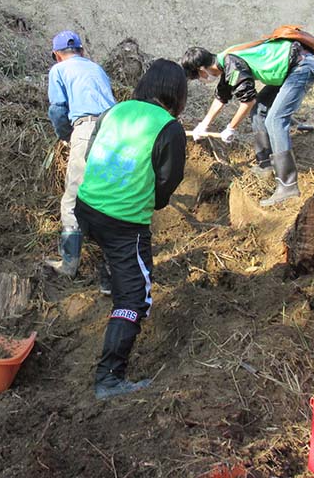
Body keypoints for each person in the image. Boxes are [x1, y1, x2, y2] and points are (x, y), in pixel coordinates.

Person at [75, 59, 187, 399]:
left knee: (113, 256)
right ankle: (109, 378)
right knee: (134, 298)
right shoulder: (169, 127)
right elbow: (169, 179)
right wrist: (152, 201)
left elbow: (92, 151)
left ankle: (109, 275)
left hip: (86, 207)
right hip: (123, 223)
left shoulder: (115, 110)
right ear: (177, 94)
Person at [181, 36, 314, 206]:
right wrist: (204, 125)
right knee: (260, 109)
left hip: (300, 68)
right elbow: (221, 97)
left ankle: (288, 185)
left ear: (202, 69)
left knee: (275, 120)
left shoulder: (232, 63)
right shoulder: (226, 60)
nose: (201, 81)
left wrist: (231, 128)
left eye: (198, 77)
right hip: (288, 69)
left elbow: (247, 101)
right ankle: (266, 165)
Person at [44, 30, 116, 285]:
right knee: (108, 197)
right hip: (114, 129)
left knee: (74, 198)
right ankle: (113, 267)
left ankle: (68, 265)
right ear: (83, 51)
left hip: (86, 129)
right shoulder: (97, 69)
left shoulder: (58, 71)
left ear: (57, 55)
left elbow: (58, 108)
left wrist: (65, 134)